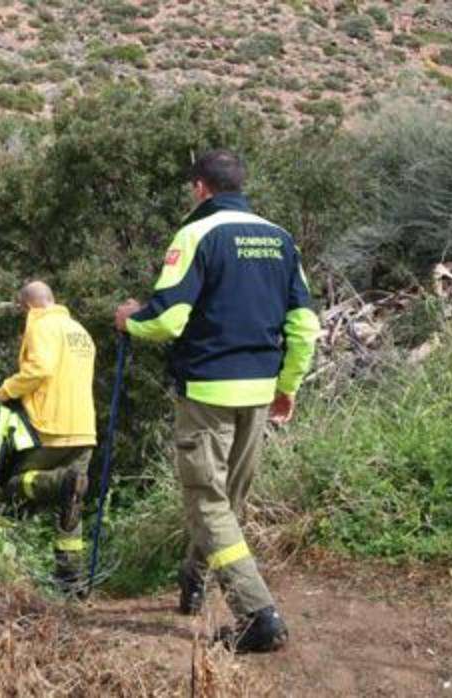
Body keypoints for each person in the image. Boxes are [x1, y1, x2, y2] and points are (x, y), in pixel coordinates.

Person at [114, 150, 321, 652]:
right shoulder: (280, 239)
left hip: (208, 389)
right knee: (226, 501)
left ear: (200, 189)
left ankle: (258, 615)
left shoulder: (196, 235)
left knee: (208, 502)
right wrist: (287, 384)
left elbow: (168, 320)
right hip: (258, 391)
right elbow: (306, 324)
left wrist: (129, 319)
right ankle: (194, 580)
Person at [0, 281, 97, 594]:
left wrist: (5, 391)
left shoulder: (41, 326)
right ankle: (70, 580)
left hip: (51, 426)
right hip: (84, 428)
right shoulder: (79, 330)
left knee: (11, 486)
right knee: (71, 505)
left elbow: (40, 369)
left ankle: (6, 570)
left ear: (28, 307)